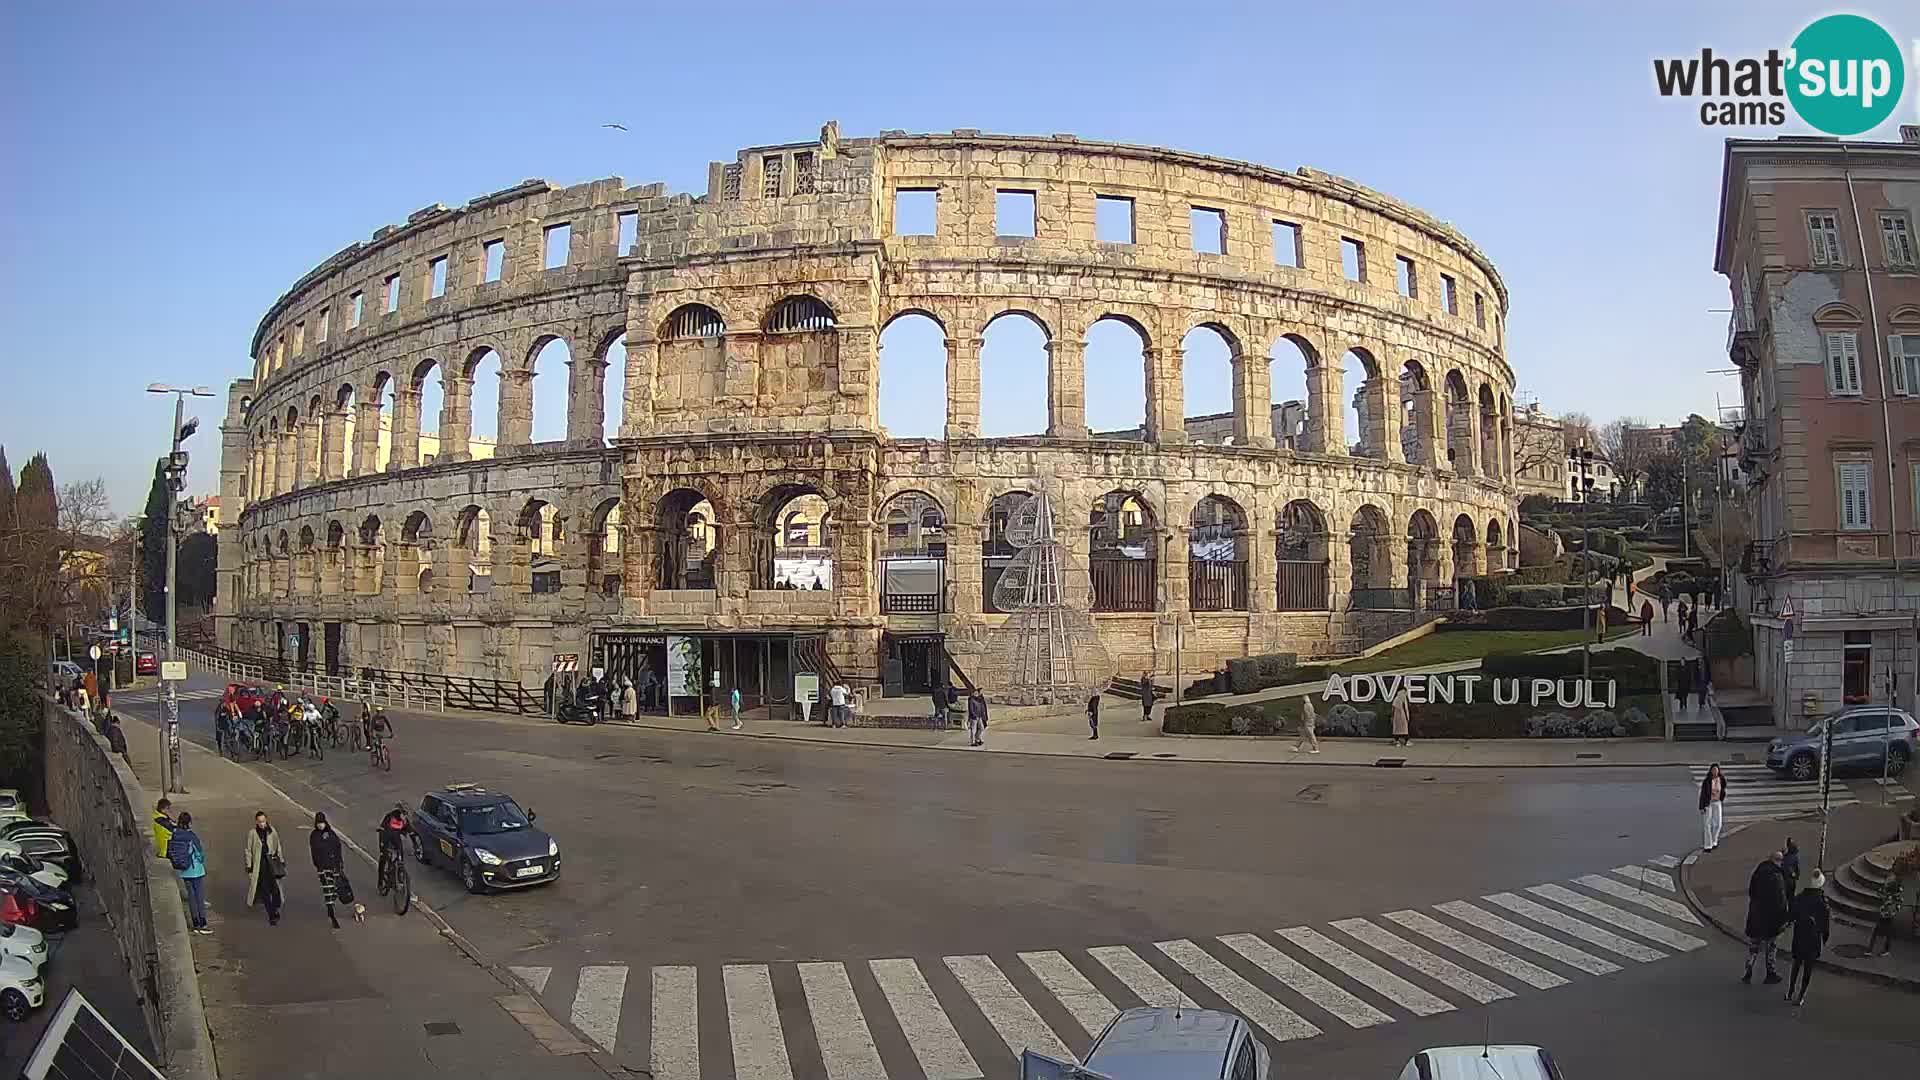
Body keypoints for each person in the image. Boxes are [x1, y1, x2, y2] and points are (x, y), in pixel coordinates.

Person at [1743, 850, 1789, 985]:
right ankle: (1770, 973)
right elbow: (1781, 901)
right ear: (1779, 861)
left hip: (1755, 916)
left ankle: (1748, 969)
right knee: (1771, 947)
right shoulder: (1777, 877)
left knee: (1754, 946)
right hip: (1771, 920)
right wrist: (1784, 918)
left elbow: (1751, 891)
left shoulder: (1759, 871)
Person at [1784, 870, 1829, 1005]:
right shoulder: (1823, 904)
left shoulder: (1799, 898)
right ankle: (1800, 996)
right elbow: (1825, 926)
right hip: (1813, 939)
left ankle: (1790, 991)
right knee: (1808, 969)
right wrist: (1824, 938)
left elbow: (1791, 916)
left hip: (1799, 936)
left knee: (1796, 964)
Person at [309, 811, 356, 929]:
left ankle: (332, 904)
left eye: (322, 823)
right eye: (318, 823)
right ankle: (331, 912)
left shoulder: (331, 834)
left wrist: (339, 863)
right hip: (322, 867)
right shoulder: (314, 835)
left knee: (335, 887)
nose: (320, 825)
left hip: (334, 865)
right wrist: (317, 864)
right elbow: (313, 852)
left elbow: (337, 848)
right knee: (328, 889)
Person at [166, 810, 210, 935]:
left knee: (191, 898)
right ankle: (203, 924)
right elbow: (199, 854)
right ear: (189, 823)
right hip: (195, 869)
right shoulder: (191, 836)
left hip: (184, 870)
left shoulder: (176, 834)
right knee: (199, 897)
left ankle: (195, 924)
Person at [243, 810, 284, 926]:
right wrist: (249, 865)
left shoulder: (272, 831)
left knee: (275, 890)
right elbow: (248, 850)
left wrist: (281, 860)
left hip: (271, 864)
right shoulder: (252, 833)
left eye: (264, 821)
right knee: (265, 892)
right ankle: (271, 915)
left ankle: (275, 908)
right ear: (256, 821)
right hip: (260, 866)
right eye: (260, 822)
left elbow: (278, 846)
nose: (262, 824)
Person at [377, 802, 415, 896]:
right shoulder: (389, 817)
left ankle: (400, 875)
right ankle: (380, 881)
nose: (405, 817)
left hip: (396, 839)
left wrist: (415, 845)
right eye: (404, 814)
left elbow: (411, 831)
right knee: (383, 858)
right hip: (385, 837)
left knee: (400, 856)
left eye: (406, 814)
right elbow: (382, 828)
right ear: (399, 812)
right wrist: (383, 844)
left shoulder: (404, 820)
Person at [1866, 874, 1902, 956]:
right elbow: (1880, 893)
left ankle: (1877, 950)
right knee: (1881, 931)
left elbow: (1898, 903)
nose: (1887, 883)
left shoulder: (1895, 893)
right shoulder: (1887, 891)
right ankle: (1872, 949)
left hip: (1887, 914)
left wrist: (1892, 911)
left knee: (1885, 932)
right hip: (1884, 913)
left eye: (1888, 882)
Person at [1699, 763, 1727, 851]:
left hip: (1717, 802)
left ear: (1718, 771)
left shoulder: (1721, 779)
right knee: (1707, 824)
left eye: (1716, 770)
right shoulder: (1707, 781)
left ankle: (1714, 841)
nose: (1715, 771)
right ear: (1711, 771)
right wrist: (1701, 807)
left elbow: (1723, 788)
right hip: (1709, 803)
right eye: (1713, 770)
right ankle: (1708, 845)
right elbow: (1703, 794)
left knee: (1718, 824)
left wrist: (1722, 796)